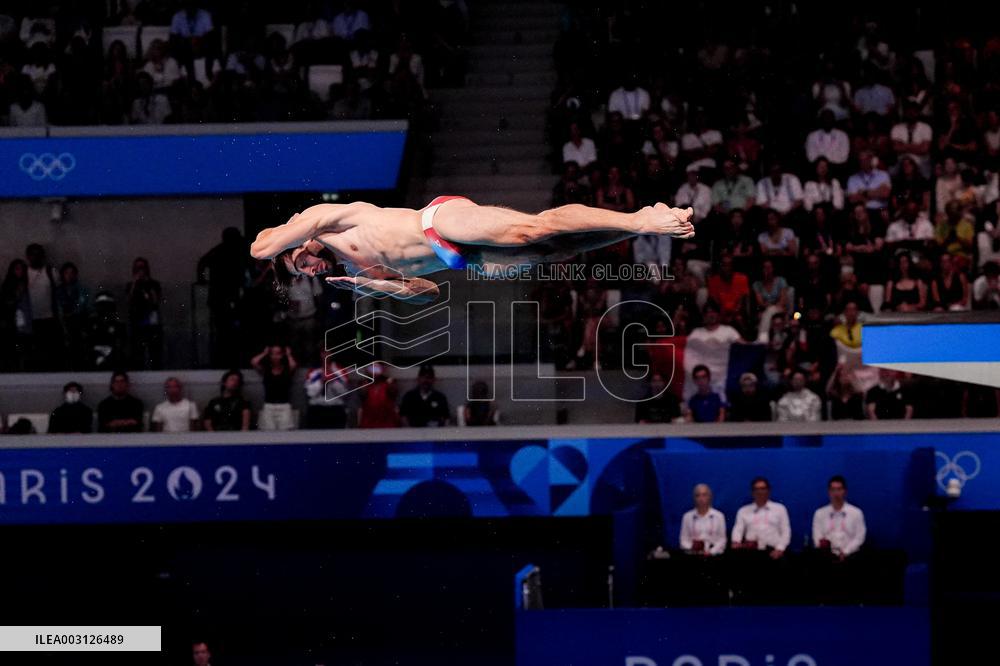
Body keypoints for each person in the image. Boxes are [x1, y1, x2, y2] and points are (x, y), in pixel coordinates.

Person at [250, 198, 696, 302]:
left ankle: (639, 220)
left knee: (530, 230)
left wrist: (282, 243)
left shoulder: (325, 222)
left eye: (301, 262)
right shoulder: (352, 273)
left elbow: (259, 248)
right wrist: (380, 287)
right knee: (556, 252)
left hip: (437, 221)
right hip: (458, 259)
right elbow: (428, 291)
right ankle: (637, 223)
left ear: (298, 244)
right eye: (304, 274)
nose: (311, 270)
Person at [731, 477, 791, 559]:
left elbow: (786, 531)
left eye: (763, 489)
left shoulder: (780, 509)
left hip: (774, 551)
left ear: (768, 491)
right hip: (749, 551)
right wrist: (736, 541)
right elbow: (738, 529)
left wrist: (780, 549)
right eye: (756, 489)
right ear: (752, 492)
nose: (759, 492)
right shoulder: (743, 511)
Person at [812, 475, 866, 560]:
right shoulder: (819, 513)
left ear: (845, 491)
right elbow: (817, 537)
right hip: (826, 556)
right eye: (833, 490)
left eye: (839, 489)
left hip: (850, 555)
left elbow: (859, 537)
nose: (836, 493)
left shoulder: (856, 513)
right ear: (829, 492)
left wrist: (846, 552)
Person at [25, 243, 61, 371]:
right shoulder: (24, 273)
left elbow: (58, 293)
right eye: (33, 255)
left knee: (49, 351)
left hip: (48, 318)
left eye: (38, 254)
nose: (36, 257)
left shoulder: (51, 272)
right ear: (28, 257)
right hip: (29, 319)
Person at [126, 257, 163, 370]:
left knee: (154, 349)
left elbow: (156, 301)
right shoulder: (131, 284)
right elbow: (129, 300)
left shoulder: (154, 284)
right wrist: (135, 282)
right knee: (137, 349)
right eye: (137, 267)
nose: (140, 270)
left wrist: (148, 283)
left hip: (151, 320)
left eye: (142, 267)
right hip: (137, 319)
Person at [252, 345, 298, 430]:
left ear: (282, 355)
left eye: (278, 354)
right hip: (269, 405)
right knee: (268, 432)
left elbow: (293, 365)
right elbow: (254, 362)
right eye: (273, 354)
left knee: (286, 433)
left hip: (284, 405)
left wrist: (288, 354)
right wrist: (264, 353)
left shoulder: (286, 370)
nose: (275, 356)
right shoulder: (266, 370)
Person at [679, 484, 727, 556]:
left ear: (710, 497)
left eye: (704, 495)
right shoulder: (687, 517)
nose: (701, 498)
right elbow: (683, 540)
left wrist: (711, 552)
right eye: (698, 495)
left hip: (713, 554)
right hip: (693, 554)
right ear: (694, 498)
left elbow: (722, 540)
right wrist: (693, 548)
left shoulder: (719, 516)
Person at [303, 361, 350, 429]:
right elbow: (310, 394)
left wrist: (333, 379)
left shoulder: (341, 371)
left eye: (328, 352)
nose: (326, 355)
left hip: (336, 410)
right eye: (324, 352)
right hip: (316, 410)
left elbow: (344, 393)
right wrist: (321, 381)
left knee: (338, 437)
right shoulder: (312, 372)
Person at [358, 362, 400, 428]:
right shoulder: (364, 384)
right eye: (372, 368)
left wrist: (388, 380)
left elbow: (394, 392)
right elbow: (362, 394)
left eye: (377, 368)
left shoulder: (389, 384)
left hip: (387, 423)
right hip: (368, 423)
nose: (375, 371)